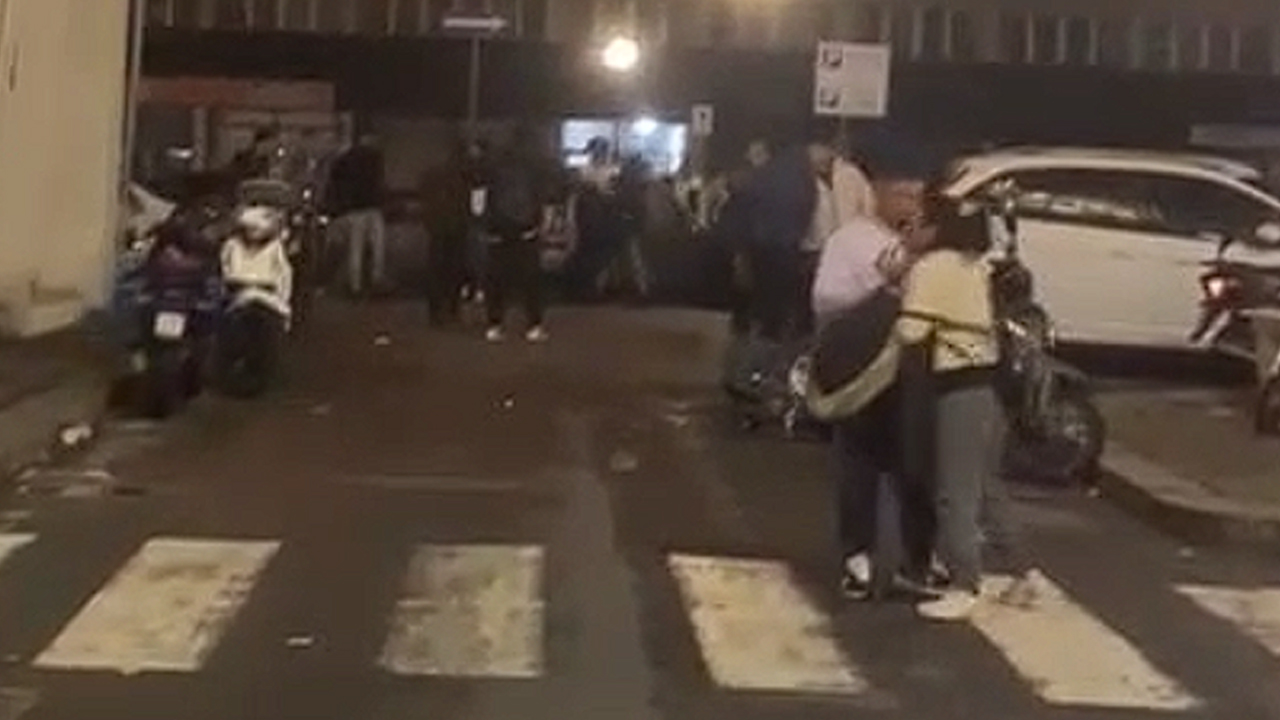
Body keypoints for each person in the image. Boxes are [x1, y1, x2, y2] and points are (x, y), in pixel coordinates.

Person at [898, 195, 1043, 621]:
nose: (910, 229)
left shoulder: (932, 268)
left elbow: (910, 333)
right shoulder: (979, 266)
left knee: (954, 493)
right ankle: (1023, 573)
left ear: (937, 228)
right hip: (989, 387)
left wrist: (899, 284)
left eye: (918, 221)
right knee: (985, 486)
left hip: (957, 389)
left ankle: (964, 584)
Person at [812, 168, 934, 601]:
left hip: (911, 371)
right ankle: (857, 557)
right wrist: (885, 281)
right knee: (858, 465)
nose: (912, 206)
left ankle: (918, 562)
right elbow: (826, 298)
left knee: (915, 465)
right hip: (862, 366)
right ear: (878, 195)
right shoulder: (850, 240)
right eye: (903, 195)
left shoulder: (928, 245)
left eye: (918, 197)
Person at [483, 126, 555, 343]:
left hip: (498, 228)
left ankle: (495, 325)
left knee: (497, 279)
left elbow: (482, 195)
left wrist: (486, 226)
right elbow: (545, 196)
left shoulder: (495, 164)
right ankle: (533, 326)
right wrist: (544, 224)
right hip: (526, 229)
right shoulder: (536, 164)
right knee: (531, 280)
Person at [424, 140, 482, 326]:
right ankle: (452, 309)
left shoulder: (434, 173)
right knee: (455, 270)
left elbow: (425, 195)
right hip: (457, 227)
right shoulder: (466, 175)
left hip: (437, 226)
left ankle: (435, 311)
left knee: (436, 269)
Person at [326, 132, 387, 297]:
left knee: (356, 248)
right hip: (371, 206)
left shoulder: (346, 159)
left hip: (355, 208)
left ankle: (356, 285)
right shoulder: (374, 158)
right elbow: (379, 181)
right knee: (377, 246)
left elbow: (335, 180)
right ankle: (376, 279)